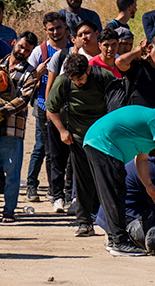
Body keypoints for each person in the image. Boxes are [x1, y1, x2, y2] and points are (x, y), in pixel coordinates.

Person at [85, 104, 155, 257]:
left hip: (96, 140)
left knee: (116, 190)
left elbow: (141, 159)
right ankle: (118, 242)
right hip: (104, 144)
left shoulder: (151, 120)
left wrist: (148, 185)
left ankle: (115, 238)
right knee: (114, 192)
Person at [46, 53, 117, 237]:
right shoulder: (63, 82)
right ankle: (84, 223)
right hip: (78, 139)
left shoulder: (103, 76)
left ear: (88, 69)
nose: (78, 82)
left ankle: (112, 223)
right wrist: (62, 130)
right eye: (74, 79)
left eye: (81, 78)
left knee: (107, 180)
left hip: (103, 138)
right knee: (83, 181)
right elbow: (51, 108)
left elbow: (118, 100)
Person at [0, 33, 39, 222]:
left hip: (11, 130)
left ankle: (9, 211)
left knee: (11, 174)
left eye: (27, 50)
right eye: (21, 46)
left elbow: (22, 101)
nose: (23, 52)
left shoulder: (30, 73)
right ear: (13, 43)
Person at [25, 12, 70, 204]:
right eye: (51, 29)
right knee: (44, 147)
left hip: (68, 108)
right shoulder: (39, 51)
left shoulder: (73, 49)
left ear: (65, 27)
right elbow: (26, 79)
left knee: (65, 149)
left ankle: (59, 190)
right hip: (44, 106)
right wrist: (37, 74)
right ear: (45, 30)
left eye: (59, 27)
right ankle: (33, 185)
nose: (55, 32)